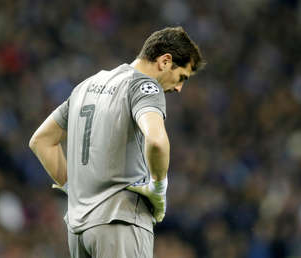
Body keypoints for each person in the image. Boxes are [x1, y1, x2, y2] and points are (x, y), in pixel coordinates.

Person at [29, 26, 204, 258]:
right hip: (120, 222)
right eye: (181, 77)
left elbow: (41, 141)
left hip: (78, 229)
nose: (180, 88)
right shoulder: (145, 86)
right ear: (165, 61)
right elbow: (157, 141)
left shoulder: (85, 87)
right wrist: (158, 188)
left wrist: (76, 189)